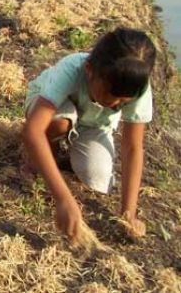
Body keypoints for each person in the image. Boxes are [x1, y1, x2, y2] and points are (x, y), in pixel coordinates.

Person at [21, 27, 156, 242]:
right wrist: (64, 199)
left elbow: (132, 147)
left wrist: (129, 213)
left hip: (94, 124)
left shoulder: (136, 86)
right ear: (90, 70)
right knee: (58, 125)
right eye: (109, 95)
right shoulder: (71, 69)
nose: (114, 104)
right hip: (54, 109)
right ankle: (42, 156)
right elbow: (33, 130)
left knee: (97, 179)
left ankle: (61, 152)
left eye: (122, 103)